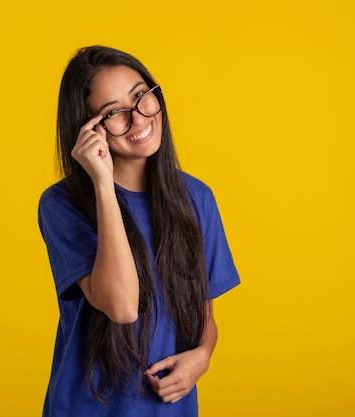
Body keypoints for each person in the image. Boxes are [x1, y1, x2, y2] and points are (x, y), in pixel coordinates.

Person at [38, 45, 239, 417]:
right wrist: (102, 184)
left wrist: (203, 356)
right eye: (114, 112)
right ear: (88, 129)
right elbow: (123, 306)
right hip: (88, 408)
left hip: (170, 408)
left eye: (142, 96)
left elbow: (202, 313)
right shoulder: (62, 204)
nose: (139, 118)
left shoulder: (197, 198)